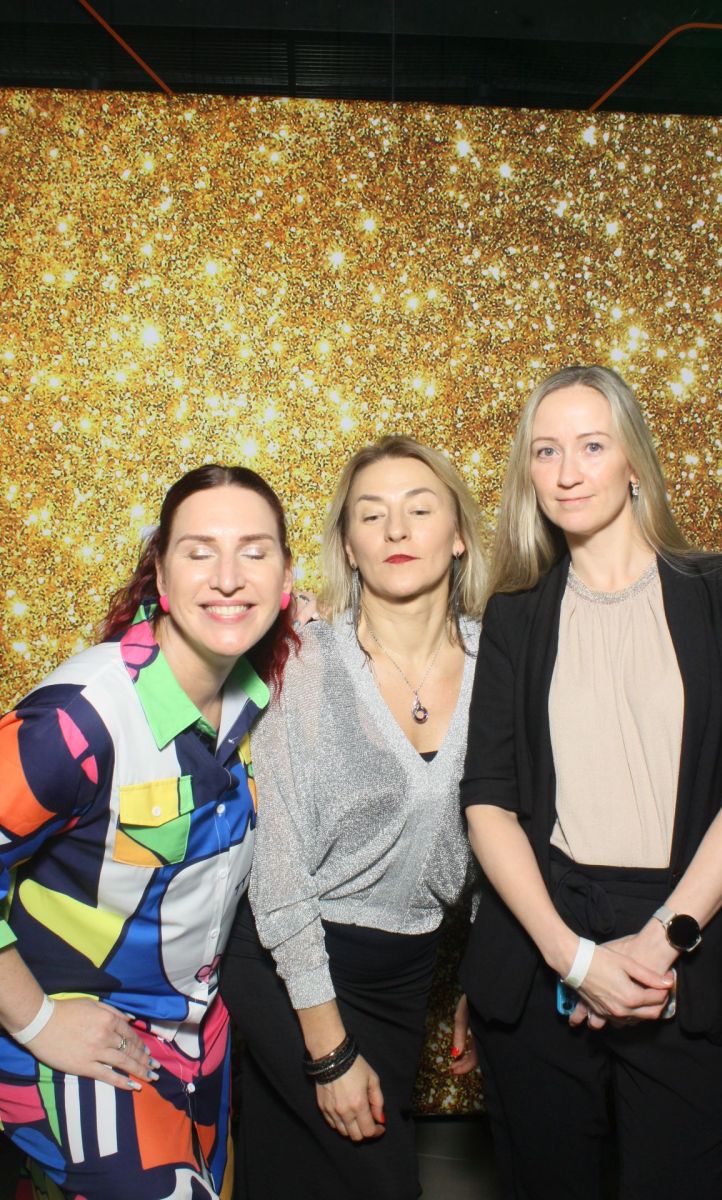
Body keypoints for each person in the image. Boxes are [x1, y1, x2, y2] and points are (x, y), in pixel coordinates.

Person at [459, 365, 722, 1200]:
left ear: (634, 461)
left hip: (690, 938)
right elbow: (488, 800)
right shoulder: (515, 613)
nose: (567, 472)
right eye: (546, 451)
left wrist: (657, 943)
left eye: (591, 446)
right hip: (544, 941)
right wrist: (574, 959)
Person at [0, 464, 298, 1199]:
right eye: (200, 551)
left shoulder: (265, 699)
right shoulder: (82, 715)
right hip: (82, 1042)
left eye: (254, 551)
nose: (228, 577)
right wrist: (37, 1023)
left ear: (287, 579)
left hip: (201, 1046)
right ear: (160, 575)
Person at [221, 435, 487, 1200]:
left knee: (292, 1177)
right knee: (377, 1177)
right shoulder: (301, 662)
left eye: (419, 509)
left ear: (458, 534)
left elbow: (509, 830)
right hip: (286, 962)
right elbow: (277, 872)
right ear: (348, 545)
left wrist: (487, 974)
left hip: (405, 977)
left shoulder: (502, 662)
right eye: (371, 515)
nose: (396, 529)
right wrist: (329, 1050)